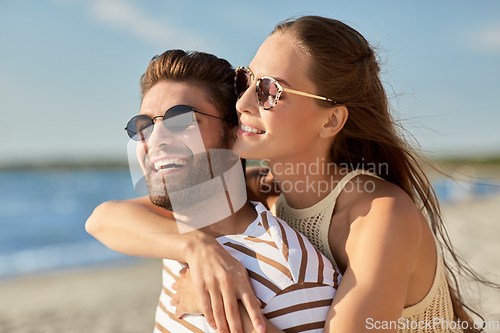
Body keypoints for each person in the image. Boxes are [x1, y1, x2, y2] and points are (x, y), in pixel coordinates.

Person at [87, 16, 496, 333]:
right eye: (246, 81)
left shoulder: (378, 217)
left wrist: (227, 317)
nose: (243, 101)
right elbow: (106, 218)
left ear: (331, 119)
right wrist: (196, 249)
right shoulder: (267, 190)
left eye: (269, 91)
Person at [89, 49, 342, 333]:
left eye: (181, 120)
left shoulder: (290, 274)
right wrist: (197, 248)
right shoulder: (177, 234)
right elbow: (99, 219)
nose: (155, 138)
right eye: (144, 125)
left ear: (235, 133)